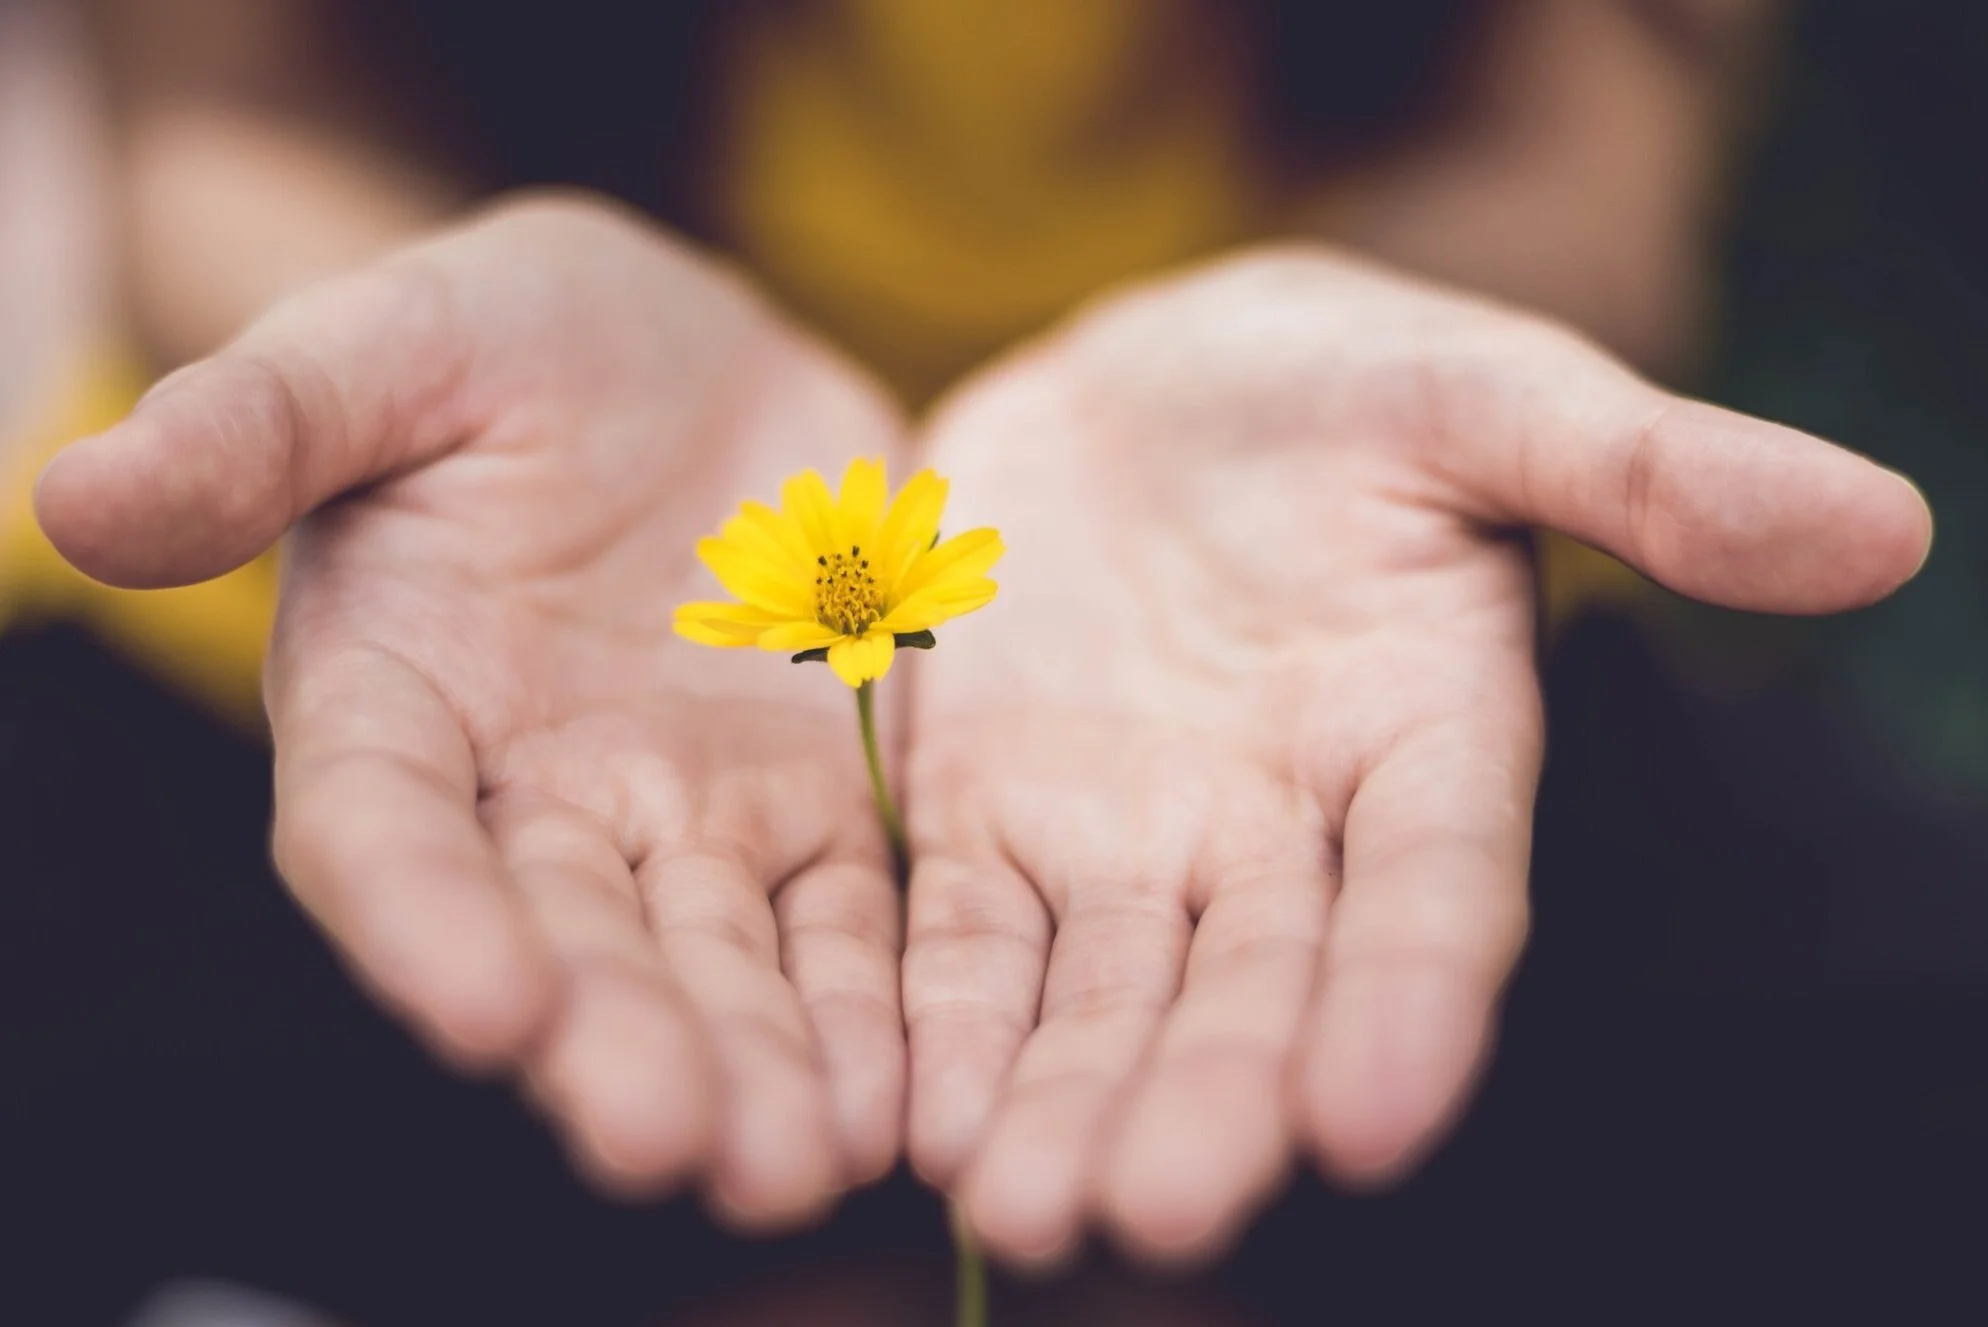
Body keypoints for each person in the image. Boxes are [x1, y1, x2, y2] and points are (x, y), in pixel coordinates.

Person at [10, 0, 1934, 1273]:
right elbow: (224, 100)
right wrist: (391, 330)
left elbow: (1599, 116)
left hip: (1316, 624)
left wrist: (1374, 334)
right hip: (464, 617)